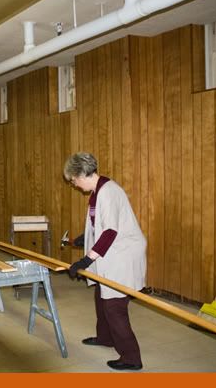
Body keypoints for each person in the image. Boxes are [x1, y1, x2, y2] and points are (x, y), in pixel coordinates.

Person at [64, 152, 146, 371]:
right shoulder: (96, 191)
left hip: (123, 253)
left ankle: (131, 357)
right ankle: (106, 337)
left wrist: (85, 261)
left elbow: (110, 231)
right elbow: (99, 223)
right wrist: (85, 238)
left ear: (81, 173)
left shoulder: (108, 192)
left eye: (73, 179)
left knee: (114, 306)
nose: (73, 184)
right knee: (101, 296)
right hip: (112, 251)